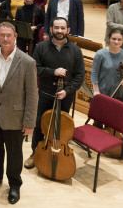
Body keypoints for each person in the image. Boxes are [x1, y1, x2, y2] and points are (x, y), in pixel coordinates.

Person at [0, 23, 38, 205]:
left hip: (15, 117)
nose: (5, 39)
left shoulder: (27, 61)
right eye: (2, 35)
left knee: (14, 154)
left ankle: (14, 184)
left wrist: (29, 121)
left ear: (15, 36)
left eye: (8, 35)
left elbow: (32, 94)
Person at [27, 17, 84, 170]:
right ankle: (35, 153)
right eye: (56, 28)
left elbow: (79, 76)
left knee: (60, 128)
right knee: (39, 125)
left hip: (65, 96)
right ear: (51, 29)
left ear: (68, 30)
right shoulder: (41, 47)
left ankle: (56, 153)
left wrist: (67, 90)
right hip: (45, 93)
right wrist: (53, 72)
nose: (59, 31)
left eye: (62, 28)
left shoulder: (75, 50)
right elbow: (34, 68)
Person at [92, 28, 123, 102]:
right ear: (109, 38)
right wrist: (96, 91)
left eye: (119, 39)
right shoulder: (100, 54)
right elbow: (94, 73)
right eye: (114, 39)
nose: (116, 42)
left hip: (120, 92)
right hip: (102, 91)